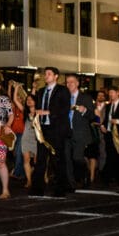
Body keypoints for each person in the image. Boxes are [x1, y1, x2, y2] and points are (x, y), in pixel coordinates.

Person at [30, 66, 71, 196]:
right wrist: (36, 114)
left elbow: (65, 109)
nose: (46, 76)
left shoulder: (62, 90)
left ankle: (60, 188)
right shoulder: (41, 91)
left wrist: (48, 112)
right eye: (45, 74)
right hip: (43, 129)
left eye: (49, 74)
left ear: (56, 76)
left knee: (57, 159)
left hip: (56, 130)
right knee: (40, 159)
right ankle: (37, 188)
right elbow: (37, 107)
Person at [63, 73, 95, 189]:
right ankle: (71, 184)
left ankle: (85, 174)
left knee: (77, 158)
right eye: (67, 82)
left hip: (80, 133)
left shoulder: (85, 97)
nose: (69, 84)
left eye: (72, 82)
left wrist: (84, 110)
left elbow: (92, 116)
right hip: (67, 132)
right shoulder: (64, 97)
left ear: (77, 83)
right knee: (67, 158)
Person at [7, 80, 27, 182]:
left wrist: (17, 88)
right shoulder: (13, 108)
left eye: (20, 97)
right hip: (14, 134)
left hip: (22, 134)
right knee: (16, 154)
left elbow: (14, 99)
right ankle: (22, 173)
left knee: (19, 153)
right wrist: (10, 87)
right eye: (17, 97)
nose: (17, 99)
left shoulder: (24, 108)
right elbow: (10, 99)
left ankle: (17, 172)